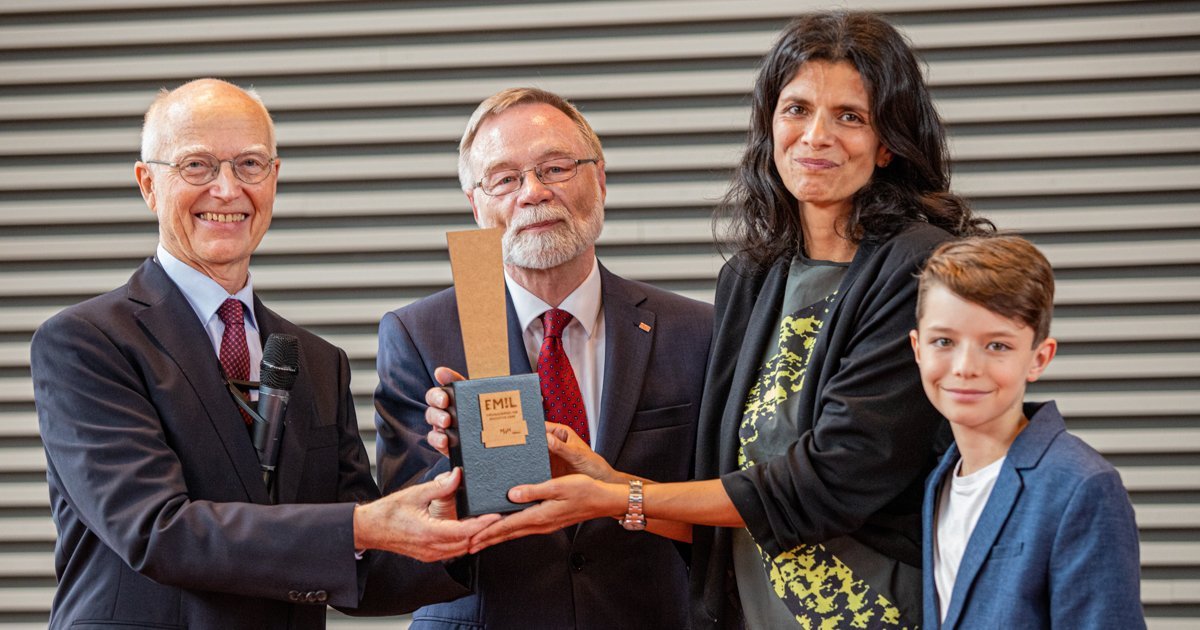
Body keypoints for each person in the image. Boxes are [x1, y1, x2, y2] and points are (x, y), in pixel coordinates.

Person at [463, 12, 994, 628]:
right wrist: (611, 488)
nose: (815, 136)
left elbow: (832, 479)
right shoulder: (751, 278)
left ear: (887, 143)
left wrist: (619, 495)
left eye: (850, 115)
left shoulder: (918, 266)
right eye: (795, 109)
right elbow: (722, 501)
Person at [30, 78, 499, 630]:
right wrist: (359, 527)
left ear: (273, 179)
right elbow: (158, 531)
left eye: (249, 165)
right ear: (147, 184)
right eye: (197, 166)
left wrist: (457, 513)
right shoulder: (85, 341)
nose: (227, 190)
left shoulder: (320, 362)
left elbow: (363, 572)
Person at [373, 87, 713, 629]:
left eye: (555, 168)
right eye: (504, 179)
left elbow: (727, 523)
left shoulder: (698, 330)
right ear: (476, 205)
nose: (532, 193)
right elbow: (397, 559)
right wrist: (452, 470)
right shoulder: (419, 334)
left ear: (599, 178)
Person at [910, 235, 1144, 629]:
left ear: (1039, 358)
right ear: (917, 348)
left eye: (997, 345)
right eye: (944, 341)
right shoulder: (940, 481)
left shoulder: (1081, 486)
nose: (966, 366)